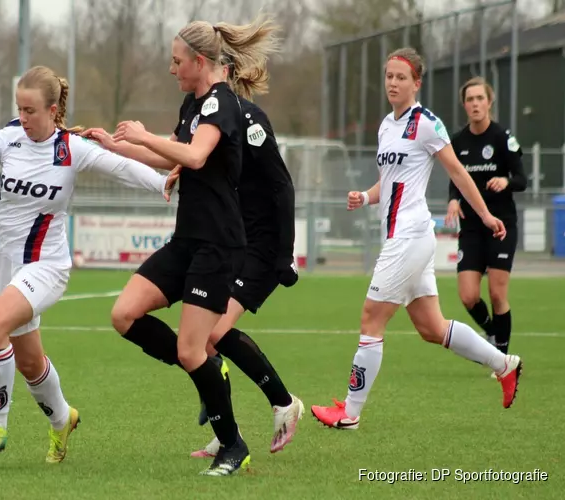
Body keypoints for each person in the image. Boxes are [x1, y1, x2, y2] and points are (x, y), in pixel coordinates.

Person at [0, 65, 172, 463]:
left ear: (53, 110)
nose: (23, 117)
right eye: (20, 108)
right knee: (29, 362)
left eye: (31, 110)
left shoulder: (72, 148)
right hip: (5, 261)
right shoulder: (7, 139)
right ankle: (61, 420)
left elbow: (121, 168)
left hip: (46, 265)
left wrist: (163, 183)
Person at [89, 15, 280, 477]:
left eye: (177, 62)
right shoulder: (192, 104)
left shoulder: (223, 104)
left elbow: (194, 155)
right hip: (187, 241)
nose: (171, 69)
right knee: (125, 314)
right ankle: (203, 368)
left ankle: (233, 445)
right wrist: (113, 145)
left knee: (193, 350)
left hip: (219, 246)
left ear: (199, 61)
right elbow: (168, 152)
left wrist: (142, 135)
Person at [310, 48, 523, 430]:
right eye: (389, 76)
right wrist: (366, 196)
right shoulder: (386, 125)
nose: (393, 83)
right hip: (404, 236)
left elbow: (458, 173)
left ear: (417, 83)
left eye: (401, 77)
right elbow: (389, 182)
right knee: (432, 328)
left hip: (409, 236)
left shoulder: (426, 123)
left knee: (371, 319)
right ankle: (504, 364)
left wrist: (487, 215)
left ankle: (350, 414)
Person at [188, 57, 303, 459]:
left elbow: (282, 186)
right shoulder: (210, 116)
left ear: (224, 74)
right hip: (234, 241)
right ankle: (226, 431)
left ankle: (284, 402)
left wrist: (286, 253)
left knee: (213, 334)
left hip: (263, 246)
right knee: (201, 337)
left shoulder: (251, 119)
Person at [445, 77, 526, 369]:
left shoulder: (503, 138)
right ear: (464, 105)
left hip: (501, 224)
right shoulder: (458, 141)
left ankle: (502, 359)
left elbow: (522, 179)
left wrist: (505, 181)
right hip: (471, 227)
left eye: (480, 98)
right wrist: (453, 199)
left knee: (496, 292)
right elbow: (455, 178)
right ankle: (492, 332)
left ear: (489, 102)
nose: (475, 104)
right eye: (470, 99)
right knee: (468, 295)